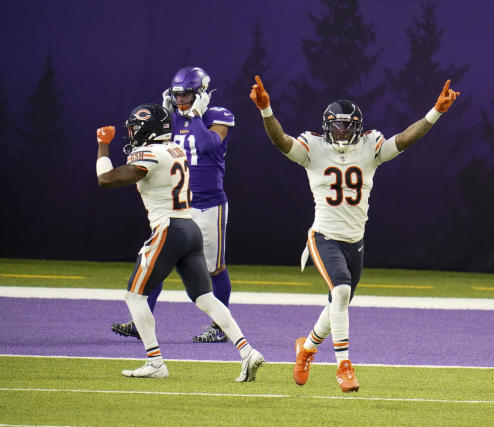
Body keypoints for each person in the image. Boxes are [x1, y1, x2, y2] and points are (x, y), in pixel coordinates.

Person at [249, 75, 459, 393]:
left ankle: (305, 349)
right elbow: (282, 142)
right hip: (324, 236)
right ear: (327, 126)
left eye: (348, 126)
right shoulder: (313, 146)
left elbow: (404, 139)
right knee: (343, 292)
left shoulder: (370, 147)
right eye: (338, 126)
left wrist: (435, 111)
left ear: (358, 127)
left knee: (339, 302)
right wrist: (266, 110)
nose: (343, 131)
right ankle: (344, 366)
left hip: (355, 241)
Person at [96, 103, 264, 380]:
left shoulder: (148, 152)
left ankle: (155, 362)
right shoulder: (175, 149)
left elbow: (106, 180)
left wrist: (103, 147)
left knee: (134, 294)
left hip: (168, 229)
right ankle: (247, 351)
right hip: (189, 227)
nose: (132, 134)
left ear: (148, 130)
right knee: (204, 297)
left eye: (135, 129)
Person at [111, 66, 235, 343]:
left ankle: (220, 326)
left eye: (187, 95)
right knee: (158, 262)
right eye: (177, 95)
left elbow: (206, 146)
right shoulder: (169, 119)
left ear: (201, 92)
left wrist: (196, 114)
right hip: (176, 205)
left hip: (208, 204)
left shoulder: (218, 116)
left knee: (214, 268)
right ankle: (141, 322)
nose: (181, 101)